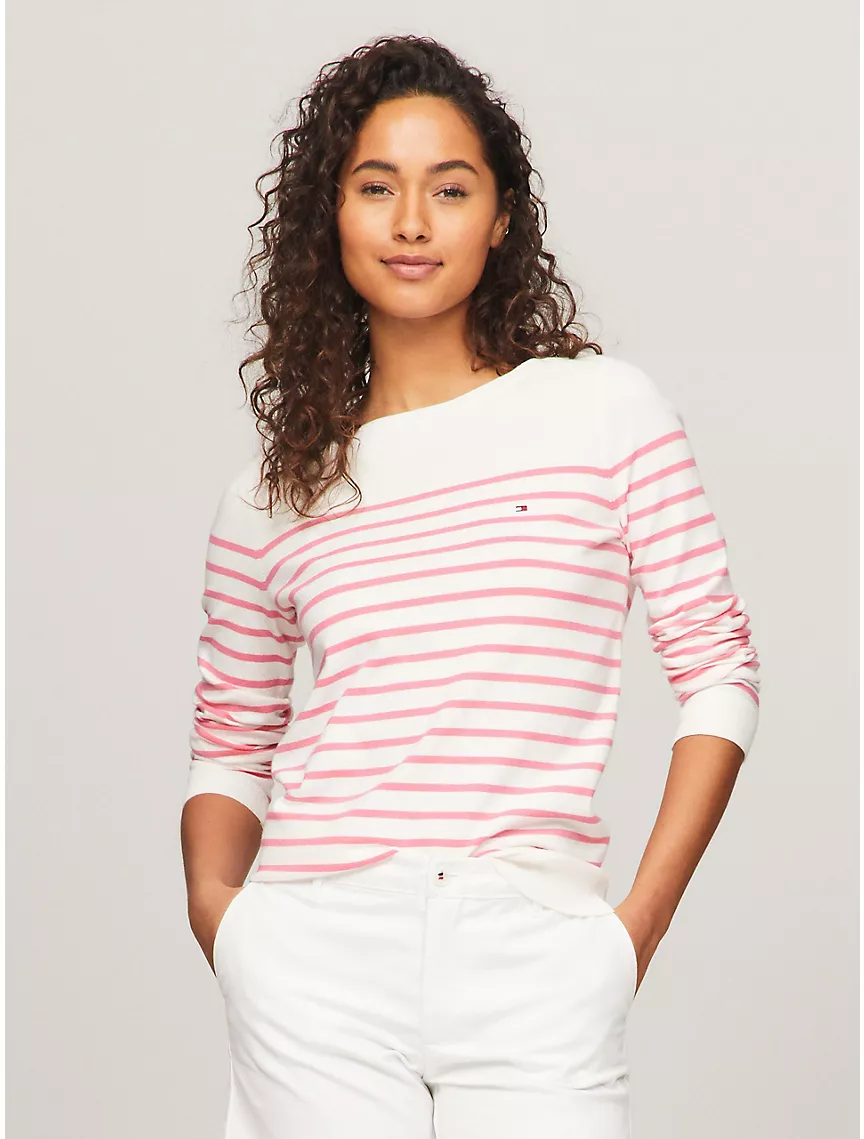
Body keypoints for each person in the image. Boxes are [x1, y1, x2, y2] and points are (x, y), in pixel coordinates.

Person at [180, 33, 761, 1139]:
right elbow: (231, 741)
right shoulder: (273, 491)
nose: (412, 222)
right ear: (329, 214)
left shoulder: (602, 412)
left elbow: (720, 671)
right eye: (375, 186)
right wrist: (225, 916)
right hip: (314, 952)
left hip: (532, 949)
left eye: (449, 189)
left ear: (500, 219)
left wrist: (632, 928)